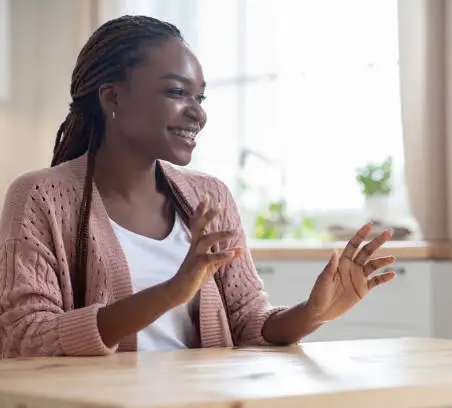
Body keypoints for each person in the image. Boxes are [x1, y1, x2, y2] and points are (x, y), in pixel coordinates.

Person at [0, 15, 397, 358]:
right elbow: (27, 337)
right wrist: (172, 291)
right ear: (112, 96)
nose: (198, 113)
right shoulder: (41, 197)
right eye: (176, 92)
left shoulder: (210, 196)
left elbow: (247, 322)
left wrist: (313, 313)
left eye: (200, 96)